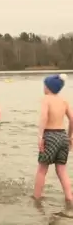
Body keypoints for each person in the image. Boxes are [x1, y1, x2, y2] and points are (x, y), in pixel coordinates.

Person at [33, 74, 73, 203]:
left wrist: (40, 136)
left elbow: (44, 117)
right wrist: (70, 137)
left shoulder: (46, 99)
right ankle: (69, 197)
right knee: (62, 170)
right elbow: (72, 119)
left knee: (42, 169)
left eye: (44, 85)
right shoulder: (64, 101)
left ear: (48, 87)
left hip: (50, 135)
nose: (43, 87)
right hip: (63, 136)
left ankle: (37, 198)